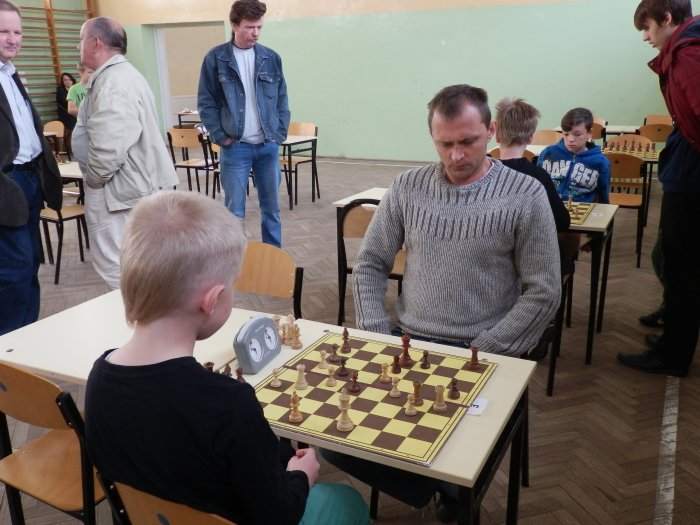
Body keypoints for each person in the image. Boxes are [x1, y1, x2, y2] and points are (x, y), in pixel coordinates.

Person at [328, 84, 561, 521]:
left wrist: (489, 348)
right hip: (408, 343)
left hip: (484, 350)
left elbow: (544, 290)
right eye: (445, 144)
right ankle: (442, 486)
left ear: (491, 131)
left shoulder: (525, 194)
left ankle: (447, 484)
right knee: (331, 439)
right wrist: (377, 332)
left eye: (468, 141)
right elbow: (371, 262)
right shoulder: (408, 187)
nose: (456, 155)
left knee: (455, 444)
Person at [84, 191, 370, 525]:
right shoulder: (230, 404)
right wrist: (301, 475)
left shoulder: (98, 378)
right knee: (346, 501)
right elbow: (279, 515)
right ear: (212, 300)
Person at [618, 0, 700, 377]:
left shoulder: (688, 55)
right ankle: (672, 341)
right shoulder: (686, 49)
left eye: (648, 28)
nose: (646, 37)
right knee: (673, 258)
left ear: (667, 19)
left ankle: (674, 356)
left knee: (682, 267)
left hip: (693, 175)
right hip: (688, 167)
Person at [71, 16, 177, 290]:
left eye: (81, 40)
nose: (77, 47)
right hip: (129, 189)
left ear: (95, 43)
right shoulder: (120, 75)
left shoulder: (114, 82)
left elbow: (109, 146)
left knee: (117, 269)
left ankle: (134, 315)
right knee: (138, 267)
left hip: (118, 193)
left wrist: (94, 181)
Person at [198, 0, 290, 247]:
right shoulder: (216, 58)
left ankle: (273, 257)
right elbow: (206, 102)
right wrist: (220, 136)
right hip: (235, 147)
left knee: (271, 210)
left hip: (268, 146)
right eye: (250, 27)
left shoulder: (271, 58)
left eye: (259, 27)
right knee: (233, 212)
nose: (256, 33)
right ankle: (234, 261)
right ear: (234, 25)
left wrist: (279, 133)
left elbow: (282, 98)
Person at [0, 0, 62, 335]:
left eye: (17, 32)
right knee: (14, 269)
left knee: (32, 262)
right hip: (7, 185)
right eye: (3, 32)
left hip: (30, 180)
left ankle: (28, 336)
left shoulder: (10, 74)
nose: (13, 39)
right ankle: (9, 345)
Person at [494, 97, 571, 231]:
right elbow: (562, 222)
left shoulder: (482, 173)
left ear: (496, 135)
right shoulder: (539, 177)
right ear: (530, 138)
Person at [537, 107, 611, 203]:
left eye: (577, 134)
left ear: (589, 133)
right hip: (550, 206)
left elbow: (603, 194)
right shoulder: (548, 153)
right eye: (566, 134)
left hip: (582, 207)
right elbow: (537, 183)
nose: (570, 139)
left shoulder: (600, 162)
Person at [55, 71, 76, 155]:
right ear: (62, 82)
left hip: (76, 113)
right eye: (65, 80)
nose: (67, 81)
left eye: (69, 79)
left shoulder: (76, 89)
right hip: (65, 114)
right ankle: (70, 151)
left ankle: (75, 149)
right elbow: (65, 102)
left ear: (72, 80)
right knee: (69, 130)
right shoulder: (60, 90)